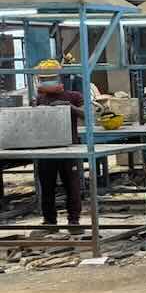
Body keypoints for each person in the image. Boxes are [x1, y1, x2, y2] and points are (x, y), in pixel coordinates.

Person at [31, 60, 86, 238]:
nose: (47, 81)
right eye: (43, 79)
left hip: (69, 147)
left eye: (51, 78)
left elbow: (88, 115)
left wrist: (70, 108)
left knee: (73, 186)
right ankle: (49, 221)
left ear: (59, 78)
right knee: (47, 186)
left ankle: (74, 221)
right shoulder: (39, 99)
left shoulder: (74, 96)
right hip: (46, 149)